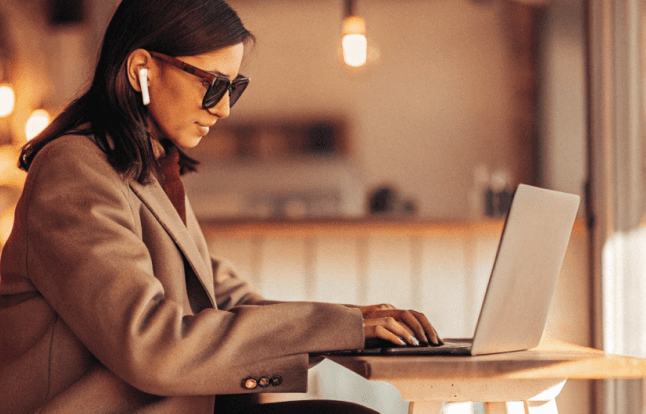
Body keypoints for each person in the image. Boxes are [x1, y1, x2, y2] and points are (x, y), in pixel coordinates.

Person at [0, 0, 442, 413]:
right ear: (141, 70)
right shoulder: (74, 168)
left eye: (234, 87)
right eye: (213, 85)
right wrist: (336, 328)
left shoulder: (148, 168)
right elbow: (152, 345)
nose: (225, 108)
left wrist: (352, 320)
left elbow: (225, 298)